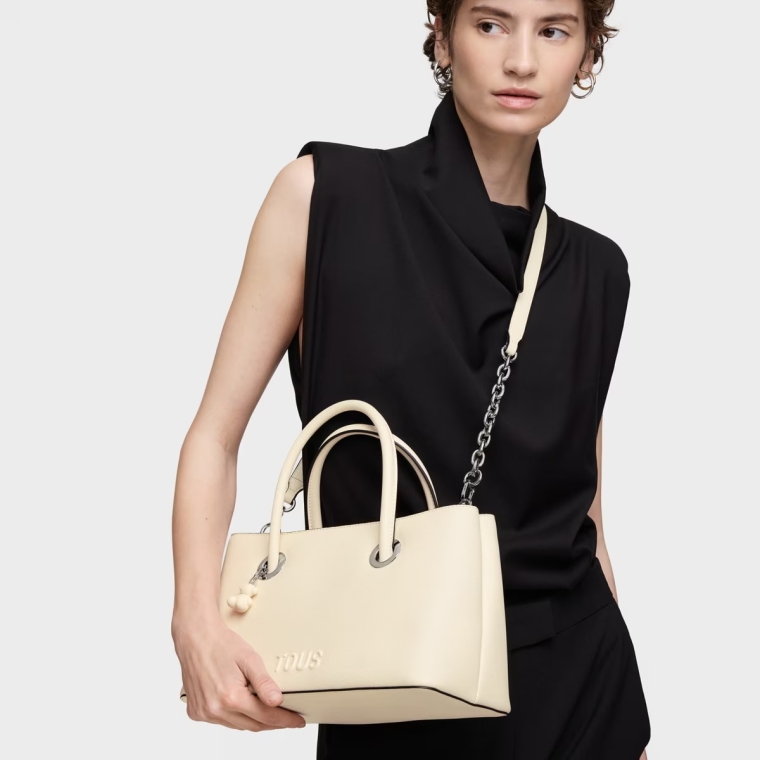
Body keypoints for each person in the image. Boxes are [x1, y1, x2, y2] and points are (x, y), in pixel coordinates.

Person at [171, 1, 651, 758]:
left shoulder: (597, 269)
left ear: (589, 55)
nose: (522, 60)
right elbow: (214, 435)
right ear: (442, 36)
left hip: (580, 685)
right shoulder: (325, 196)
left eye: (554, 30)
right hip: (393, 683)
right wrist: (195, 621)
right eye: (490, 24)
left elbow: (582, 514)